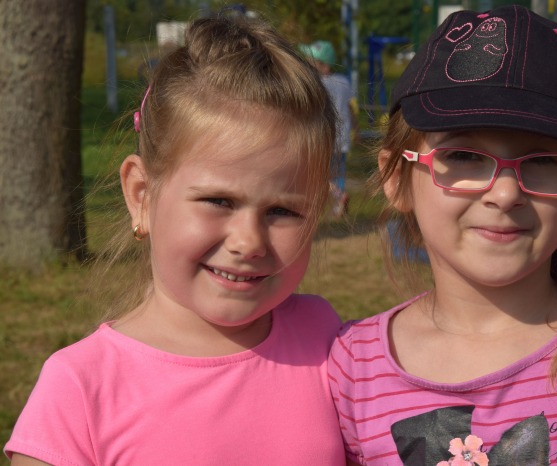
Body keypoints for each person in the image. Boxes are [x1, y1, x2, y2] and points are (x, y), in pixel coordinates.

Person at [328, 5, 557, 466]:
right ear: (395, 177)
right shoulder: (351, 370)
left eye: (542, 160)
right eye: (464, 156)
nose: (505, 194)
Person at [5, 13, 345, 465]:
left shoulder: (327, 341)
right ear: (141, 195)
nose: (249, 242)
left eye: (283, 211)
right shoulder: (80, 389)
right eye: (218, 201)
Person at [300, 40, 357, 217]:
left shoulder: (316, 83)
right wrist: (357, 130)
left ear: (323, 65)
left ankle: (338, 197)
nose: (308, 64)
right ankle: (338, 205)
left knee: (318, 174)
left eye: (311, 62)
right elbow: (351, 108)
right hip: (343, 137)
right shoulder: (344, 82)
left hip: (324, 137)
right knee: (339, 173)